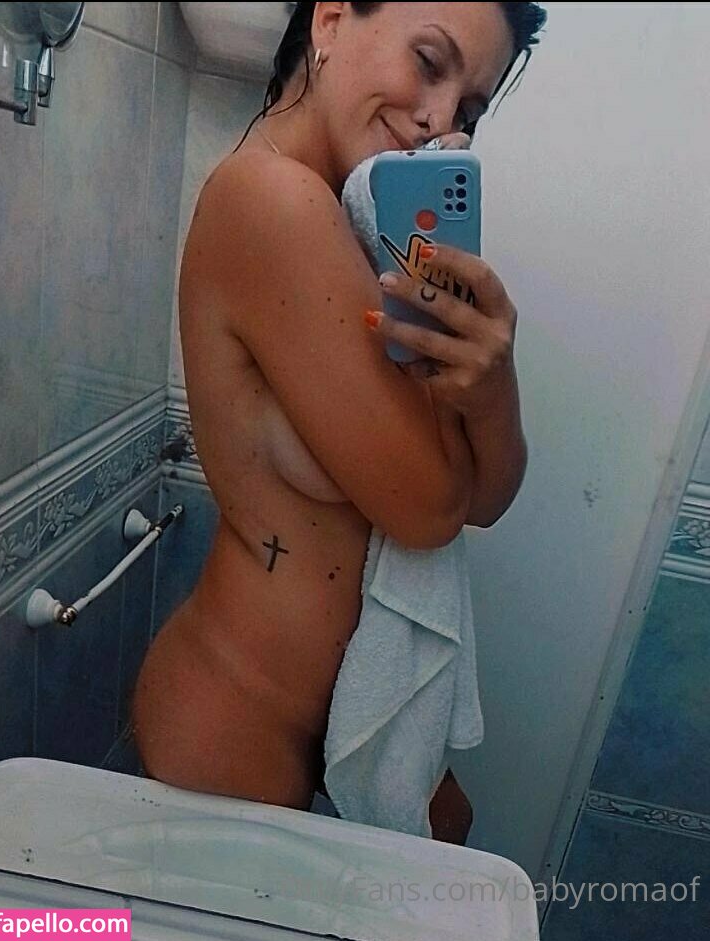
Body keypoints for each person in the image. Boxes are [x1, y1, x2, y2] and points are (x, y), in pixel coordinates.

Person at [131, 1, 545, 845]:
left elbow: (485, 501)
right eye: (429, 62)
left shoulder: (358, 228)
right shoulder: (271, 199)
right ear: (328, 20)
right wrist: (469, 413)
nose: (440, 120)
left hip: (312, 726)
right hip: (233, 726)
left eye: (470, 107)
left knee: (450, 835)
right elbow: (433, 508)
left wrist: (492, 384)